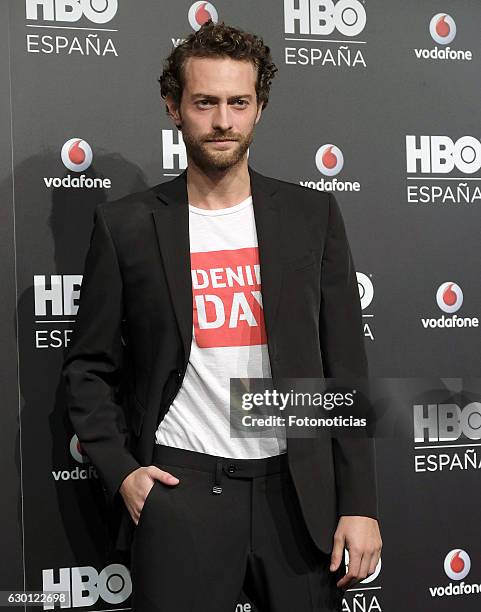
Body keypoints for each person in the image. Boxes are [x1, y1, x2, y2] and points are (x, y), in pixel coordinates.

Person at [62, 19, 382, 612]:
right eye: (205, 102)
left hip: (297, 493)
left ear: (260, 107)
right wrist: (123, 472)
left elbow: (346, 369)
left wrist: (359, 501)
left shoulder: (311, 216)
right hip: (182, 491)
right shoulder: (127, 225)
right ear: (173, 106)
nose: (223, 121)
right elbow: (88, 367)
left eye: (239, 102)